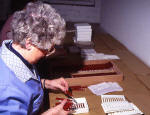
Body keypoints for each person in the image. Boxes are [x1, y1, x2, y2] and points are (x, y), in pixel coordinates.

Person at [0, 1, 70, 115]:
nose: (47, 54)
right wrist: (52, 114)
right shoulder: (8, 92)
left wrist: (46, 83)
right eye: (47, 49)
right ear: (29, 43)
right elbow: (16, 86)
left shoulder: (13, 51)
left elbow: (23, 83)